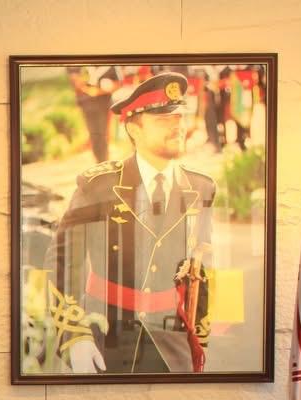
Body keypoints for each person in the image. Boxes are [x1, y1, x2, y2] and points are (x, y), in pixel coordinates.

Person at [44, 71, 215, 374]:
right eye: (163, 120)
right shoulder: (99, 186)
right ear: (134, 130)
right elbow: (63, 261)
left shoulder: (201, 188)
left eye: (179, 117)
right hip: (106, 337)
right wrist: (75, 336)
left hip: (173, 341)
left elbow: (203, 267)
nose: (177, 126)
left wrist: (198, 340)